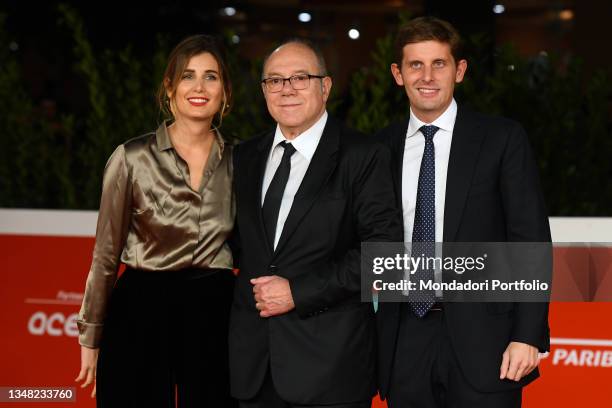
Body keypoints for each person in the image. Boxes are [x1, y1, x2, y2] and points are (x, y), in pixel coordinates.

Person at [376, 17, 551, 408]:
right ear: (397, 74)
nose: (427, 76)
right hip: (405, 338)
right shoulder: (378, 148)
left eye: (439, 63)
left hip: (487, 339)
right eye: (415, 65)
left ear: (460, 70)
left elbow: (530, 239)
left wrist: (527, 335)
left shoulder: (502, 138)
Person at [229, 38, 402, 408]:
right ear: (263, 91)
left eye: (300, 78)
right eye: (274, 80)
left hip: (330, 369)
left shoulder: (363, 155)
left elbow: (384, 255)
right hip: (254, 367)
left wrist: (298, 292)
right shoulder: (244, 156)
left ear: (325, 87)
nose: (286, 89)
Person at [75, 34, 237, 407]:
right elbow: (105, 255)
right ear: (169, 88)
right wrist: (91, 336)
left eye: (211, 77)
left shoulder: (242, 160)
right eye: (187, 76)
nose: (199, 87)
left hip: (215, 312)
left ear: (225, 91)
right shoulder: (131, 158)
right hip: (141, 309)